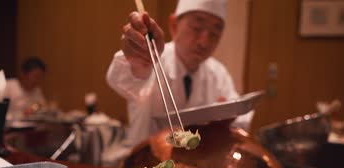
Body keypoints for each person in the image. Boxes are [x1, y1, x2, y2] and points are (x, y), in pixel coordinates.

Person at [106, 0, 253, 148]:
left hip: (196, 166)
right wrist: (137, 61)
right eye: (197, 28)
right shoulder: (153, 58)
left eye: (214, 33)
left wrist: (226, 120)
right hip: (145, 162)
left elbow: (240, 119)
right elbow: (126, 83)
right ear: (174, 25)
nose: (204, 42)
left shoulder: (218, 74)